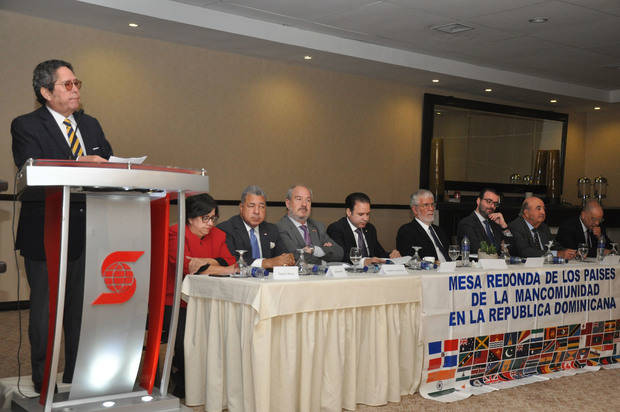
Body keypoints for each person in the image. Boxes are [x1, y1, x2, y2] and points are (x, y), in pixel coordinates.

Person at [11, 59, 113, 393]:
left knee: (80, 311)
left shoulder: (91, 124)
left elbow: (108, 165)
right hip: (46, 229)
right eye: (67, 84)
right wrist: (79, 163)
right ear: (44, 91)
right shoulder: (26, 125)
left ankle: (76, 377)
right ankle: (44, 383)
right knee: (45, 312)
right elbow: (34, 169)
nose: (75, 90)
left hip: (88, 231)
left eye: (77, 83)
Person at [165, 193, 236, 398]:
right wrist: (218, 264)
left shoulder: (219, 235)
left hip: (209, 300)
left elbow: (234, 265)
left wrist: (206, 262)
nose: (210, 223)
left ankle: (213, 386)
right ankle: (184, 385)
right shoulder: (175, 233)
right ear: (190, 217)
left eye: (213, 218)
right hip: (177, 302)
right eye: (205, 218)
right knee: (185, 343)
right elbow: (188, 268)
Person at [217, 185, 294, 268]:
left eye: (261, 207)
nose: (257, 211)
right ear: (241, 207)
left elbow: (283, 256)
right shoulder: (226, 229)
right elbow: (231, 261)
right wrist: (266, 263)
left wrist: (287, 259)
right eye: (251, 206)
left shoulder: (271, 229)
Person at [327, 192, 400, 265]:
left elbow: (379, 253)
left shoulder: (370, 228)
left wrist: (390, 255)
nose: (366, 219)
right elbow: (341, 257)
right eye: (361, 214)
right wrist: (363, 262)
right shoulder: (336, 229)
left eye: (368, 214)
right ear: (349, 212)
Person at [276, 185, 343, 264]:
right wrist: (324, 260)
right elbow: (294, 257)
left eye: (308, 200)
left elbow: (339, 253)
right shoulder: (280, 227)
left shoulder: (318, 226)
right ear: (288, 203)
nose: (304, 204)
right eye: (299, 199)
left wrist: (314, 250)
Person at [508, 196, 576, 259]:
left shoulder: (543, 227)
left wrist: (570, 252)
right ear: (526, 213)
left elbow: (554, 246)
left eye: (544, 209)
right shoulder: (516, 226)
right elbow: (525, 252)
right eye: (538, 209)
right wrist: (557, 254)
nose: (543, 212)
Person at [396, 189, 451, 262]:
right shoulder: (406, 231)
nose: (431, 209)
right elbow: (410, 260)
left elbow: (450, 255)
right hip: (429, 271)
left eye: (432, 204)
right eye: (426, 205)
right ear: (415, 210)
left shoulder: (439, 231)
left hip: (450, 270)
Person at [457, 188, 512, 253]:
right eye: (489, 201)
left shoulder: (495, 223)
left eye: (495, 204)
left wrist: (504, 226)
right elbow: (477, 250)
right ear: (478, 201)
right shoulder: (467, 223)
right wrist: (502, 249)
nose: (492, 206)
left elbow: (511, 248)